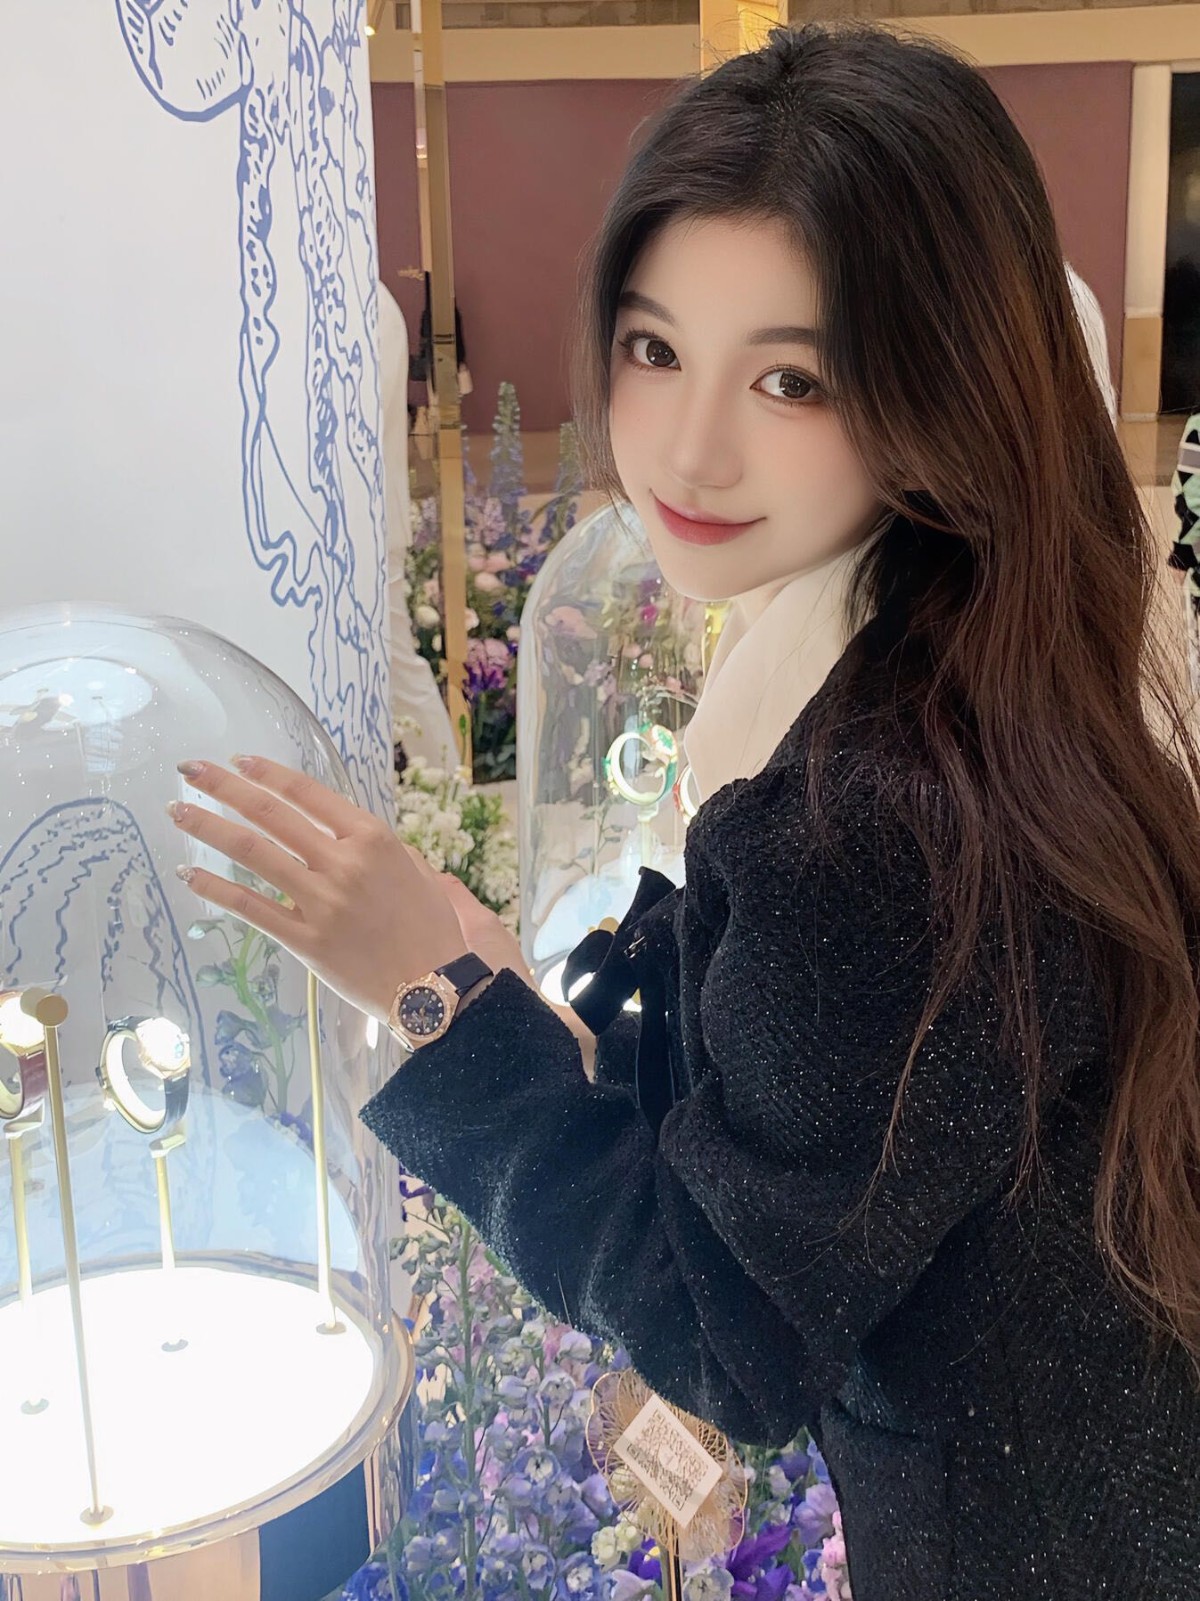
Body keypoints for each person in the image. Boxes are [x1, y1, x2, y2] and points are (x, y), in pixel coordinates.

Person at [168, 25, 1200, 1597]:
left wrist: (428, 994)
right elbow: (855, 1122)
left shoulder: (872, 818)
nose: (691, 447)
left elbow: (731, 1330)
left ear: (942, 378)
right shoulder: (1014, 640)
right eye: (654, 348)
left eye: (792, 377)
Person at [377, 281, 460, 768]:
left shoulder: (367, 304)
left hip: (365, 528)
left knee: (398, 666)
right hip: (355, 526)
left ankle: (449, 790)